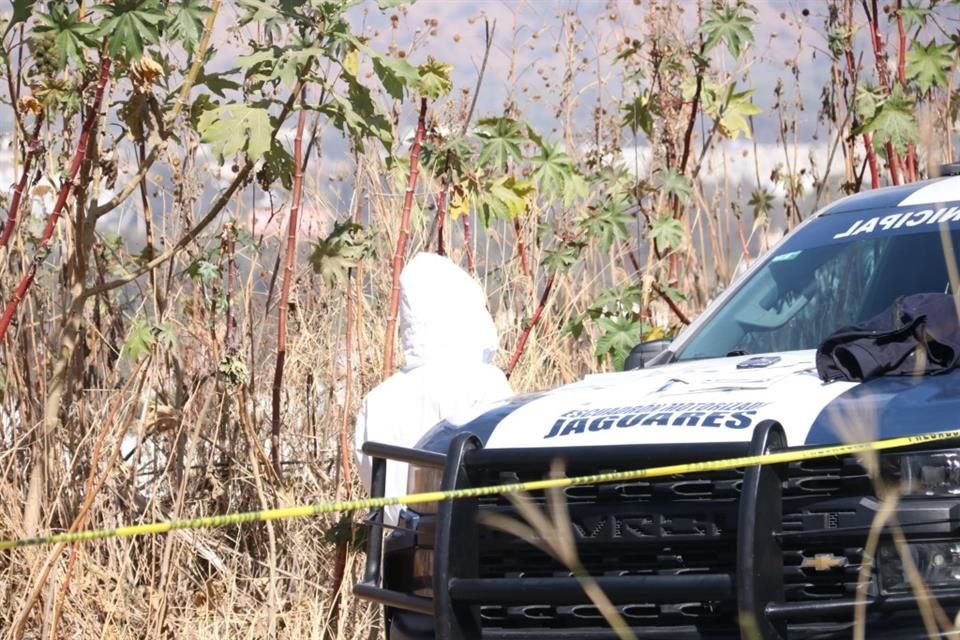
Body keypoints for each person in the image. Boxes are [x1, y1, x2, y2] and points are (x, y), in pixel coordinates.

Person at [354, 252, 513, 523]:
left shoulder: (378, 400)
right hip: (475, 542)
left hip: (402, 543)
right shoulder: (485, 382)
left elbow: (373, 479)